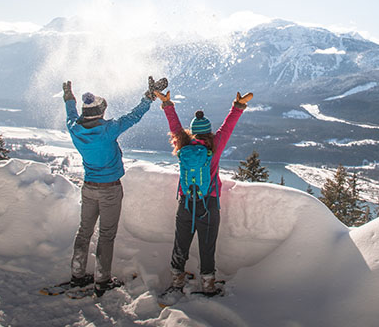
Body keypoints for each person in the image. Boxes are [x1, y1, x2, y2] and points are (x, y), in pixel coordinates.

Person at [63, 77, 166, 297]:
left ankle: (77, 275)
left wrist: (69, 98)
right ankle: (102, 281)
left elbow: (71, 114)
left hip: (88, 187)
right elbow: (133, 116)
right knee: (106, 235)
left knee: (84, 233)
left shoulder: (74, 129)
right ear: (100, 113)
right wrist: (148, 97)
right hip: (110, 189)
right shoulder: (108, 129)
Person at [154, 88, 253, 296]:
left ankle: (177, 282)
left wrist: (167, 105)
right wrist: (238, 107)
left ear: (192, 131)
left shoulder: (183, 144)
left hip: (186, 202)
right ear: (208, 131)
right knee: (207, 247)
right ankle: (208, 284)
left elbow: (174, 127)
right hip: (209, 203)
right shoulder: (214, 145)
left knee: (180, 243)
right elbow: (228, 127)